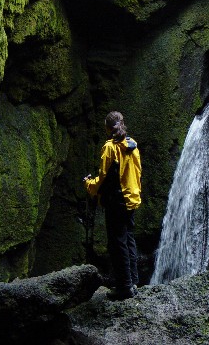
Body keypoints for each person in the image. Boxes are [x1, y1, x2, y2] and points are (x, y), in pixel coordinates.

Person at [84, 110, 142, 300]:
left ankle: (124, 287)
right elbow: (137, 173)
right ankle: (133, 281)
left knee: (117, 243)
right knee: (128, 238)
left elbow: (102, 178)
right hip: (131, 198)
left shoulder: (110, 148)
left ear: (108, 129)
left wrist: (89, 184)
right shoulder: (133, 145)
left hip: (117, 201)